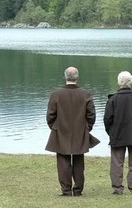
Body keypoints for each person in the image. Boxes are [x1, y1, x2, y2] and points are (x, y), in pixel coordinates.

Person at [45, 66, 100, 196]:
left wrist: (55, 127)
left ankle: (66, 190)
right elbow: (91, 115)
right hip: (80, 132)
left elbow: (50, 115)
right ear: (77, 77)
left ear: (65, 76)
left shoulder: (56, 94)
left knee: (63, 160)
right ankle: (78, 190)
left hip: (61, 131)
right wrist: (86, 128)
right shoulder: (86, 94)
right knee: (78, 160)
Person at [104, 71, 132, 195]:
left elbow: (107, 119)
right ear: (131, 82)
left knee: (117, 162)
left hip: (117, 134)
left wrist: (111, 132)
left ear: (119, 82)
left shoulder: (113, 99)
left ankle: (117, 188)